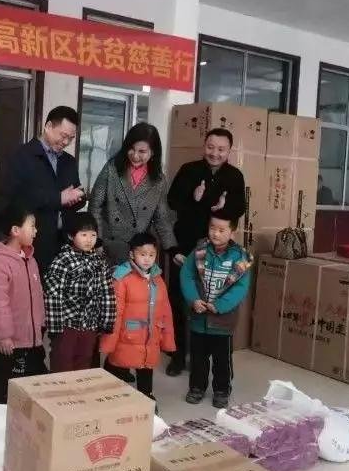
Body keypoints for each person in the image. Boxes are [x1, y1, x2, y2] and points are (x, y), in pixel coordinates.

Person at [166, 128, 246, 377]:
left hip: (217, 252)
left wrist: (225, 206)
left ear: (229, 151)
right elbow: (171, 202)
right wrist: (193, 196)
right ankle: (178, 355)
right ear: (204, 146)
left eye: (221, 149)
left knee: (212, 300)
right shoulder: (188, 170)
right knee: (180, 301)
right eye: (211, 147)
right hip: (187, 245)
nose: (215, 153)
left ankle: (206, 357)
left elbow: (239, 209)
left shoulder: (234, 176)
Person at [179, 209, 253, 409]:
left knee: (222, 360)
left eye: (221, 230)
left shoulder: (240, 258)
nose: (215, 233)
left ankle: (222, 390)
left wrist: (220, 306)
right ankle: (197, 387)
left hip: (223, 321)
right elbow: (187, 275)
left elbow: (240, 288)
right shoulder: (199, 251)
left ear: (232, 232)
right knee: (198, 358)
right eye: (212, 228)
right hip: (199, 318)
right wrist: (193, 299)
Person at [4, 106, 85, 274]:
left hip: (64, 242)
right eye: (63, 136)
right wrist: (59, 198)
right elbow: (16, 197)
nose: (66, 142)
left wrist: (78, 198)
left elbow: (73, 193)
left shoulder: (69, 161)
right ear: (48, 126)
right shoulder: (22, 155)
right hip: (34, 240)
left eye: (71, 138)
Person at [89, 122, 179, 266]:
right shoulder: (112, 168)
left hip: (138, 249)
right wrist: (97, 241)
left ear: (153, 152)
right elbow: (95, 206)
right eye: (131, 149)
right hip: (108, 245)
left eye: (142, 151)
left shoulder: (159, 180)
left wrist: (172, 249)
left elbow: (161, 218)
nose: (135, 155)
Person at [99, 233, 175, 402]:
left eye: (151, 255)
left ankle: (146, 396)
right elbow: (116, 313)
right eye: (142, 254)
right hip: (127, 336)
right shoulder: (122, 278)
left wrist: (167, 339)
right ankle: (107, 395)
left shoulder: (158, 279)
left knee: (146, 366)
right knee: (116, 364)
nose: (147, 259)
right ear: (132, 254)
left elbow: (166, 311)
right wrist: (108, 342)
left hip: (150, 336)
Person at [0, 203, 47, 404]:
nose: (36, 231)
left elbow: (37, 297)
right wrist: (4, 335)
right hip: (9, 344)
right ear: (15, 230)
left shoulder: (31, 259)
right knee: (3, 390)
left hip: (31, 341)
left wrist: (40, 325)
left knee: (31, 391)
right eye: (32, 226)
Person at [44, 212, 116, 372]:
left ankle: (79, 388)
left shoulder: (100, 262)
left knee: (84, 361)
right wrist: (55, 327)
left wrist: (107, 321)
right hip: (67, 325)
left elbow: (107, 293)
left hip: (90, 325)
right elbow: (53, 295)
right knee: (62, 361)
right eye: (84, 235)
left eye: (93, 235)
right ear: (71, 236)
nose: (89, 239)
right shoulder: (63, 261)